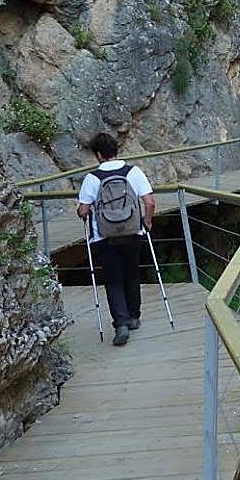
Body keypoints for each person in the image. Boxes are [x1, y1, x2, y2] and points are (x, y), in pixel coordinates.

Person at [76, 133, 155, 347]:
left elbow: (83, 210)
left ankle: (120, 323)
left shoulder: (93, 178)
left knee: (113, 280)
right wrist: (147, 222)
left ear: (99, 155)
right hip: (132, 232)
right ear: (116, 151)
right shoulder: (133, 172)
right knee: (132, 273)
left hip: (104, 236)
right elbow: (149, 202)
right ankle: (134, 317)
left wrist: (83, 211)